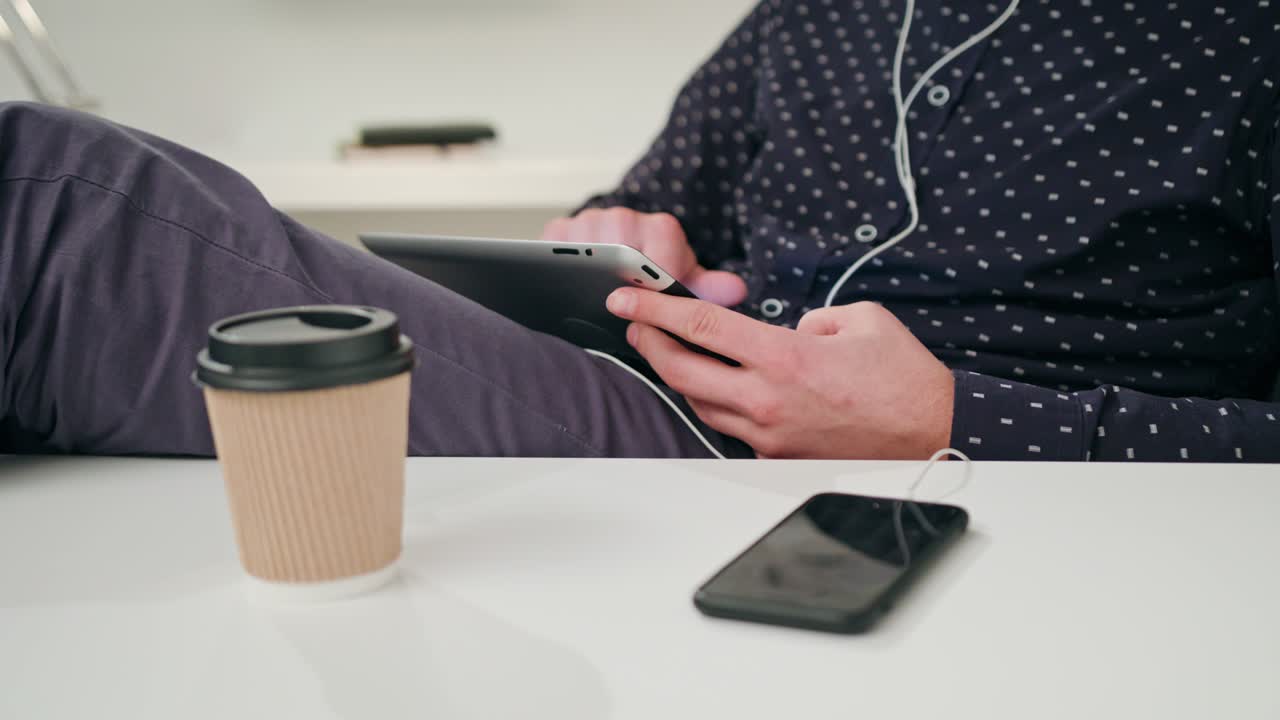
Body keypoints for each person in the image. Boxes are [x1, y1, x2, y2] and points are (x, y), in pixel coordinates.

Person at [1, 0, 1278, 462]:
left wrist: (956, 423)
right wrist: (611, 235)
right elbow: (638, 218)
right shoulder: (806, 18)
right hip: (667, 409)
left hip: (964, 477)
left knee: (64, 205)